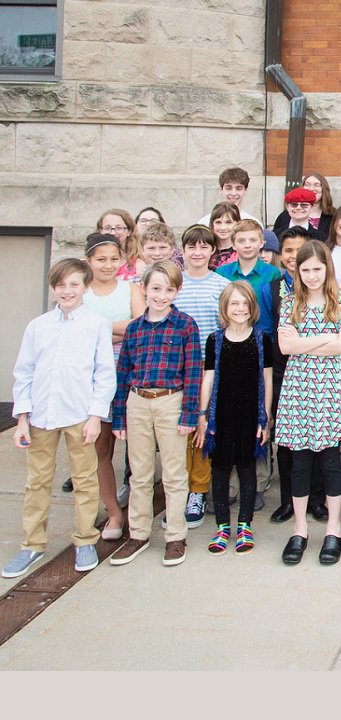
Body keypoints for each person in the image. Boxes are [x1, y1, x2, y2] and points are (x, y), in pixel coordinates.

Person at [3, 259, 115, 579]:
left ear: (85, 287)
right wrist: (22, 418)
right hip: (41, 415)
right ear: (53, 288)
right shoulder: (38, 326)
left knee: (84, 479)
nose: (67, 291)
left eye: (74, 284)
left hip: (79, 414)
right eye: (61, 285)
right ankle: (32, 544)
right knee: (37, 481)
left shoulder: (96, 325)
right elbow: (24, 372)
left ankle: (84, 539)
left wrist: (96, 416)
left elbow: (104, 374)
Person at [109, 261, 202, 567]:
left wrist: (190, 414)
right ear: (145, 290)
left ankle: (175, 536)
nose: (162, 295)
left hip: (170, 401)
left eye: (169, 289)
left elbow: (192, 374)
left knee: (174, 474)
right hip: (137, 401)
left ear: (178, 291)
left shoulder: (185, 326)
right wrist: (120, 416)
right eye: (156, 289)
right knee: (140, 473)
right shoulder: (134, 329)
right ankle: (137, 533)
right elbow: (123, 374)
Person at [273, 241, 341, 566]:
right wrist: (325, 338)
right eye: (305, 269)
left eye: (317, 269)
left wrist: (302, 344)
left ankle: (334, 527)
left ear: (327, 268)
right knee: (300, 462)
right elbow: (284, 345)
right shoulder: (290, 301)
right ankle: (300, 527)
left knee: (331, 461)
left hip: (330, 391)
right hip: (299, 391)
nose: (311, 275)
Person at [198, 281, 273, 554]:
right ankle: (222, 526)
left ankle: (245, 524)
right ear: (225, 308)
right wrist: (203, 414)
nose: (240, 309)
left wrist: (265, 417)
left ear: (252, 307)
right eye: (234, 304)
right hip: (222, 414)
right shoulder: (214, 340)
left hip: (251, 414)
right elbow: (208, 378)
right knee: (219, 470)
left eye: (244, 303)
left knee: (246, 468)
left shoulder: (261, 339)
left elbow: (266, 379)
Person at [82, 234, 145, 539]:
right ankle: (113, 513)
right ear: (88, 261)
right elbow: (76, 333)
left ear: (122, 260)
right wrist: (116, 330)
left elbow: (139, 325)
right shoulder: (79, 292)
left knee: (137, 448)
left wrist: (97, 329)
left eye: (113, 259)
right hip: (89, 377)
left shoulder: (131, 289)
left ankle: (138, 510)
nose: (108, 265)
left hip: (127, 372)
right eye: (100, 259)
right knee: (100, 448)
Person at [267, 228, 329, 524]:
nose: (293, 256)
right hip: (284, 370)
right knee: (289, 440)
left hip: (317, 371)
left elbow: (340, 340)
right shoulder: (275, 286)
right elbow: (275, 334)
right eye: (288, 250)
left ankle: (317, 499)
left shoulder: (324, 291)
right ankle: (288, 500)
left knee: (318, 440)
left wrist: (301, 345)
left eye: (299, 250)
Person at [172, 226, 230, 527]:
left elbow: (226, 326)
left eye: (203, 247)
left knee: (202, 428)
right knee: (178, 429)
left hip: (210, 364)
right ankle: (177, 489)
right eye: (191, 246)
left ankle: (198, 489)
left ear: (212, 251)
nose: (197, 252)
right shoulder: (173, 284)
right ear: (182, 250)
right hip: (176, 364)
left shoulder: (221, 285)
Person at [215, 220, 282, 336]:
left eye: (253, 240)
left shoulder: (273, 273)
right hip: (231, 336)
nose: (247, 245)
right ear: (233, 244)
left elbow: (277, 310)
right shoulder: (222, 272)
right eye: (241, 241)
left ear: (261, 243)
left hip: (264, 337)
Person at [271, 172, 335, 241]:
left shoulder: (332, 216)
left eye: (316, 185)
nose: (311, 188)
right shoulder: (284, 216)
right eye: (307, 184)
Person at [196, 167, 262, 226]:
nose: (233, 193)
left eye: (238, 188)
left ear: (246, 190)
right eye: (228, 188)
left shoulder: (254, 224)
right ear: (221, 190)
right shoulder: (205, 223)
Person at [97, 209, 140, 281]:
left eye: (119, 228)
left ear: (129, 231)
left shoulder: (138, 264)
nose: (113, 232)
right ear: (100, 231)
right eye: (107, 228)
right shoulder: (91, 263)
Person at [208, 201, 241, 270]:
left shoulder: (242, 251)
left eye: (228, 222)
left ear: (237, 223)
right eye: (218, 222)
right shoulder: (206, 249)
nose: (223, 227)